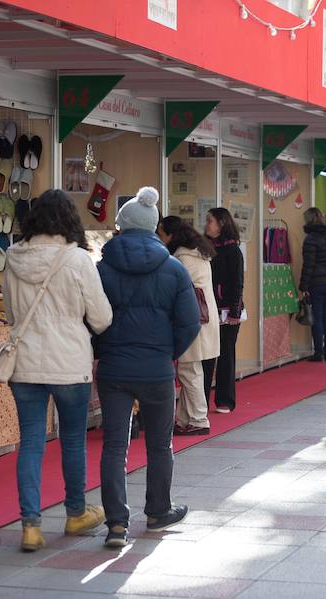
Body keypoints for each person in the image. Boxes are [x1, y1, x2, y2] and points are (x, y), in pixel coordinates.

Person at [3, 189, 114, 552]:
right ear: (69, 219)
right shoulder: (78, 260)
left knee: (32, 443)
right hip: (69, 362)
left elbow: (10, 313)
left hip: (25, 363)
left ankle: (30, 526)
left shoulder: (12, 257)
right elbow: (101, 318)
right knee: (72, 440)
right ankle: (76, 512)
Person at [96, 187, 201, 548]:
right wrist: (166, 352)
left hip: (113, 369)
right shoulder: (173, 269)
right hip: (156, 369)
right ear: (154, 227)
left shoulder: (102, 268)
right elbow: (189, 322)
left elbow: (90, 318)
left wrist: (103, 349)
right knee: (160, 445)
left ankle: (116, 525)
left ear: (121, 226)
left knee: (114, 447)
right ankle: (157, 512)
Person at [158, 216, 220, 436]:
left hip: (193, 320)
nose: (159, 237)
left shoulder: (181, 258)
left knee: (189, 371)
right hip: (206, 318)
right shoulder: (199, 253)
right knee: (191, 370)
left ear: (172, 235)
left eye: (162, 233)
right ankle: (184, 418)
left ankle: (198, 419)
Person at [204, 208, 244, 414]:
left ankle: (225, 400)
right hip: (208, 309)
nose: (206, 224)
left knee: (226, 354)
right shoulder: (203, 247)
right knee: (206, 355)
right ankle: (201, 399)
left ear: (221, 223)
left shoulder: (232, 250)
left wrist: (235, 311)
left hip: (228, 311)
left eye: (210, 220)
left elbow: (238, 282)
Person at [300, 208, 326, 361]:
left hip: (317, 283)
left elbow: (308, 265)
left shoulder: (311, 239)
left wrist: (303, 286)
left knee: (316, 318)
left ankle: (318, 352)